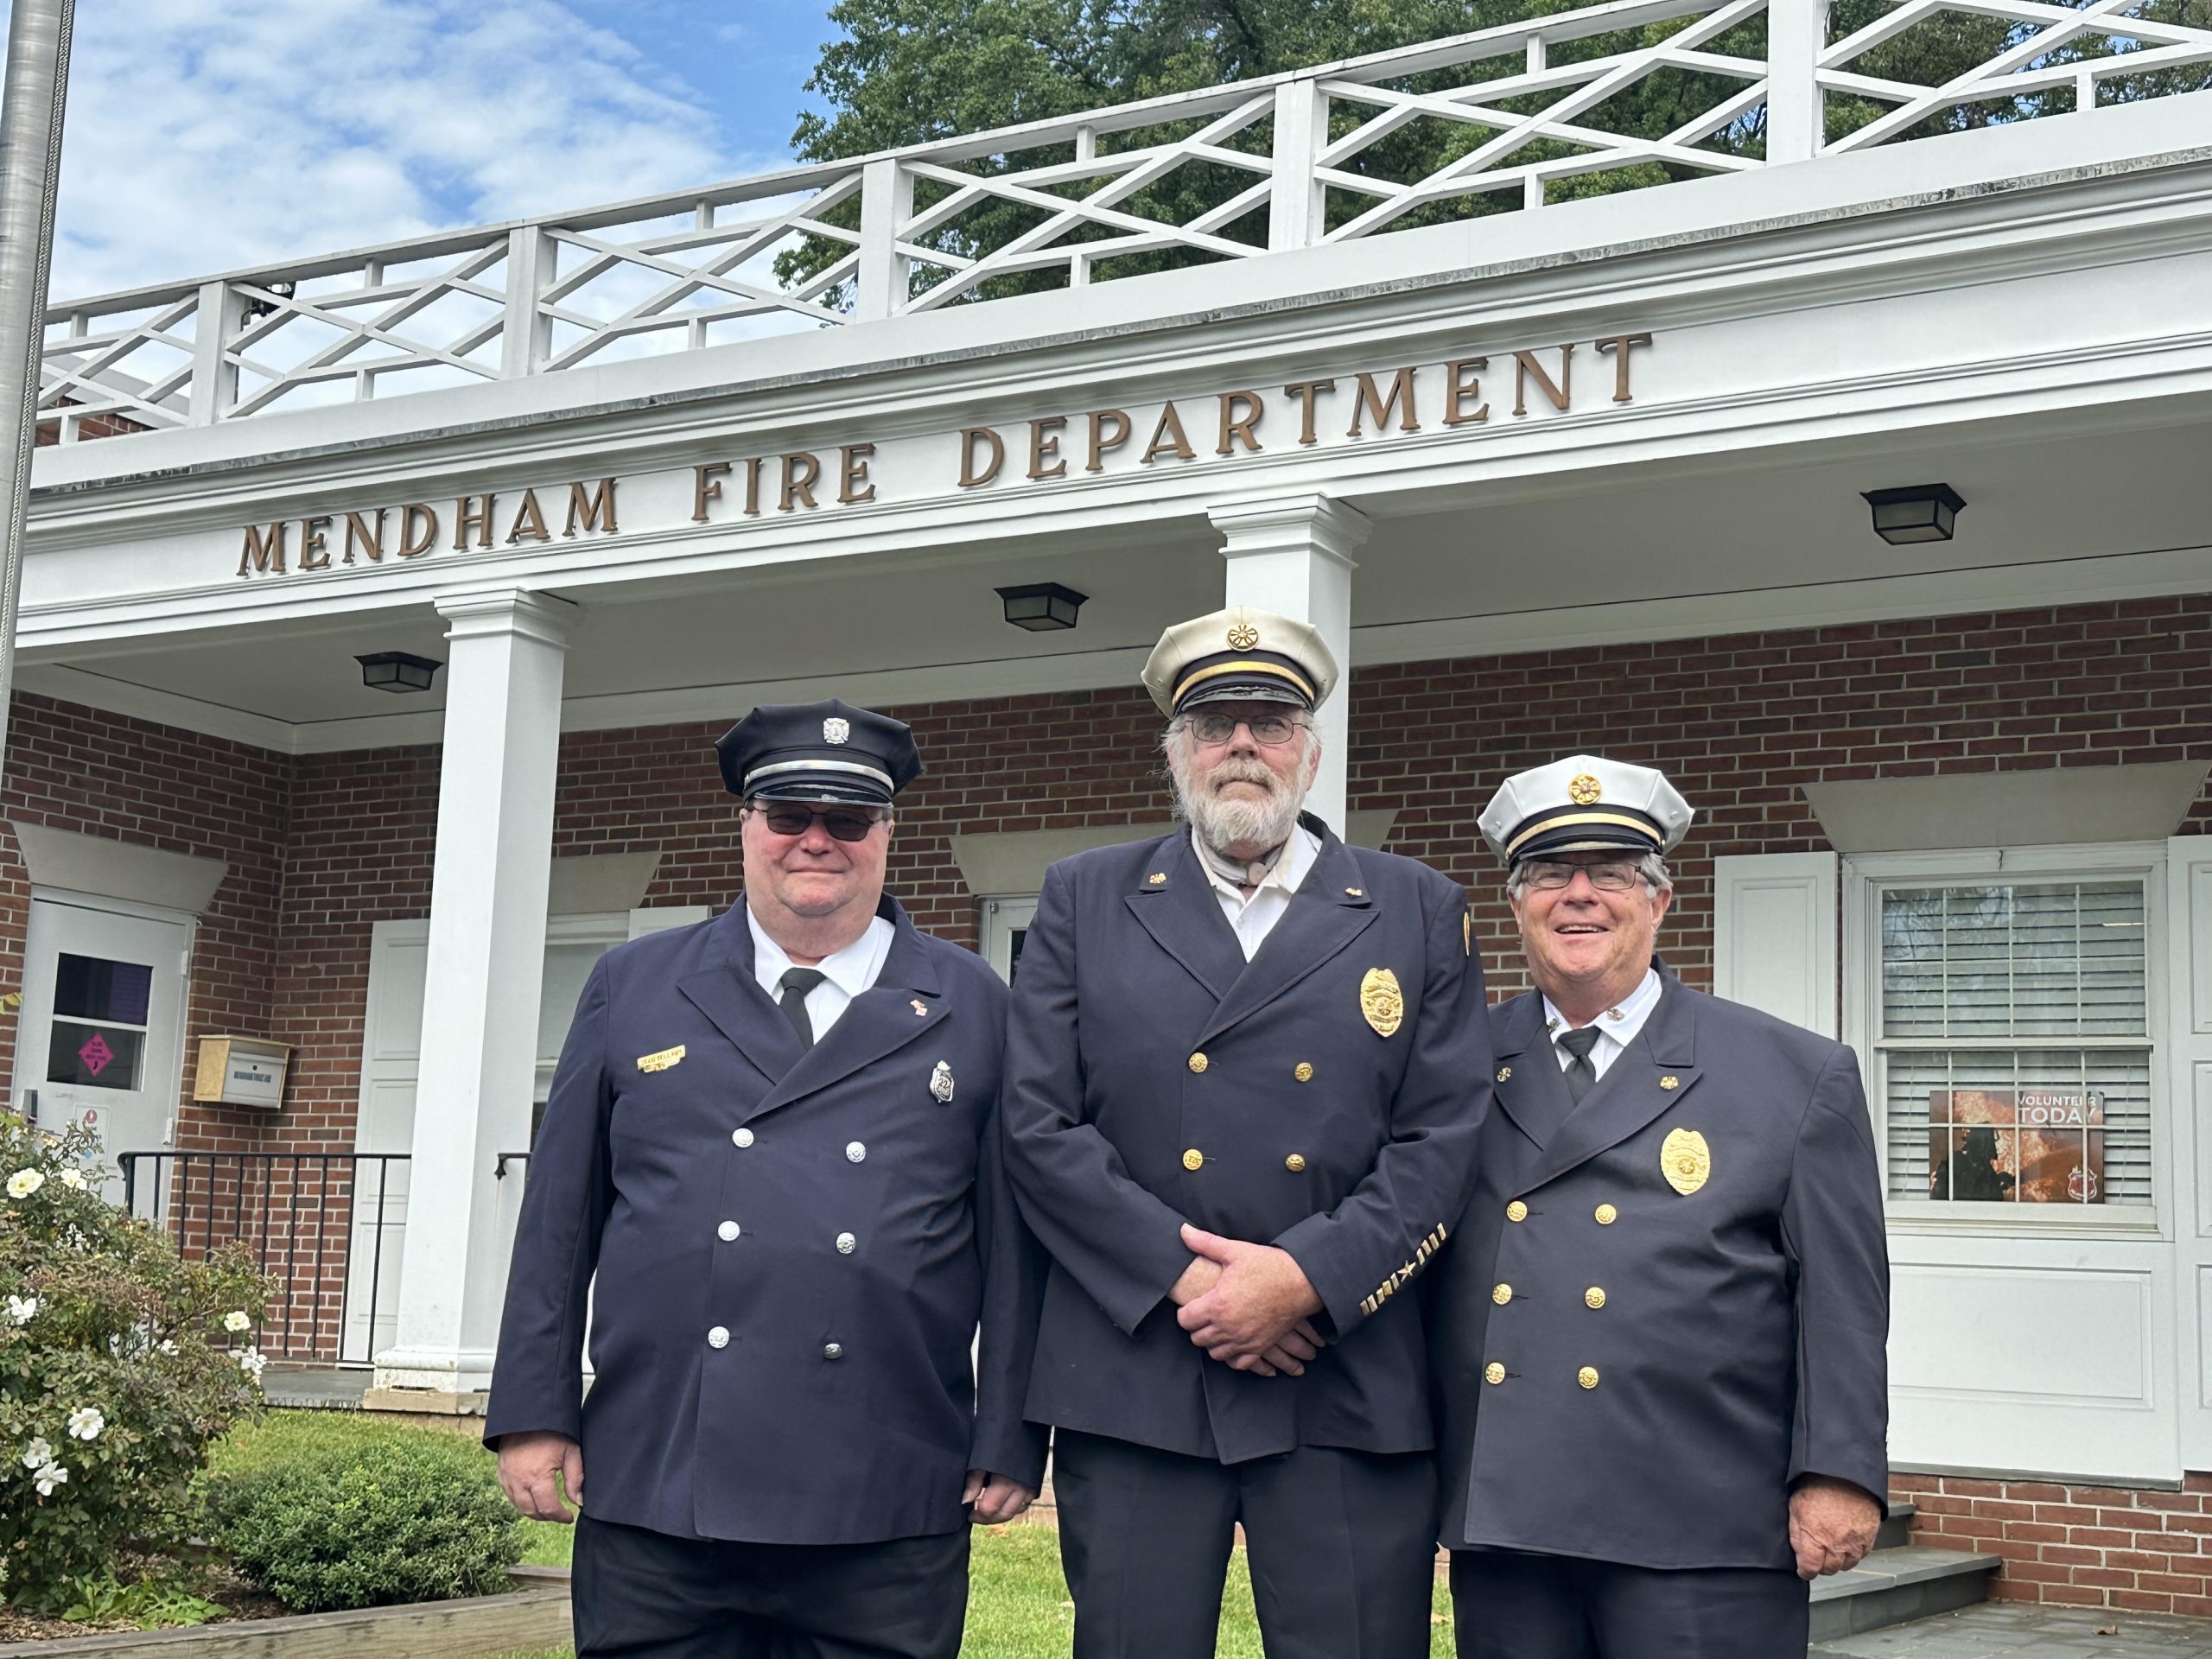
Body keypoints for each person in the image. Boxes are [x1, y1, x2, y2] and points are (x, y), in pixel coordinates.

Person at [483, 700, 1046, 1659]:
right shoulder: (637, 984)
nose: (815, 842)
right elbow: (557, 1222)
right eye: (788, 815)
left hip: (887, 1484)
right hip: (662, 1477)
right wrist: (533, 1414)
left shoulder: (973, 1002)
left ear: (886, 835)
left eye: (849, 820)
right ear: (746, 826)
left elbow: (1013, 1244)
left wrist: (1010, 1432)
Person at [1002, 606, 1491, 1659]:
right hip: (1138, 1373)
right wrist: (1197, 1285)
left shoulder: (1413, 908)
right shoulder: (1083, 898)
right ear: (1177, 751)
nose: (1240, 747)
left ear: (1309, 753)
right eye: (1213, 724)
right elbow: (1038, 1127)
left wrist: (1302, 1280)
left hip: (1343, 1375)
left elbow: (1443, 1139)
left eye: (1268, 723)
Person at [1429, 753, 1890, 1659]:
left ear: (1658, 901)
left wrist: (1838, 1473)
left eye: (1609, 875)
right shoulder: (1450, 1070)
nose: (1578, 897)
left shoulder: (1793, 1074)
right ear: (1516, 907)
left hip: (1705, 1521)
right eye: (1548, 876)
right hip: (1511, 1521)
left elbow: (1842, 1299)